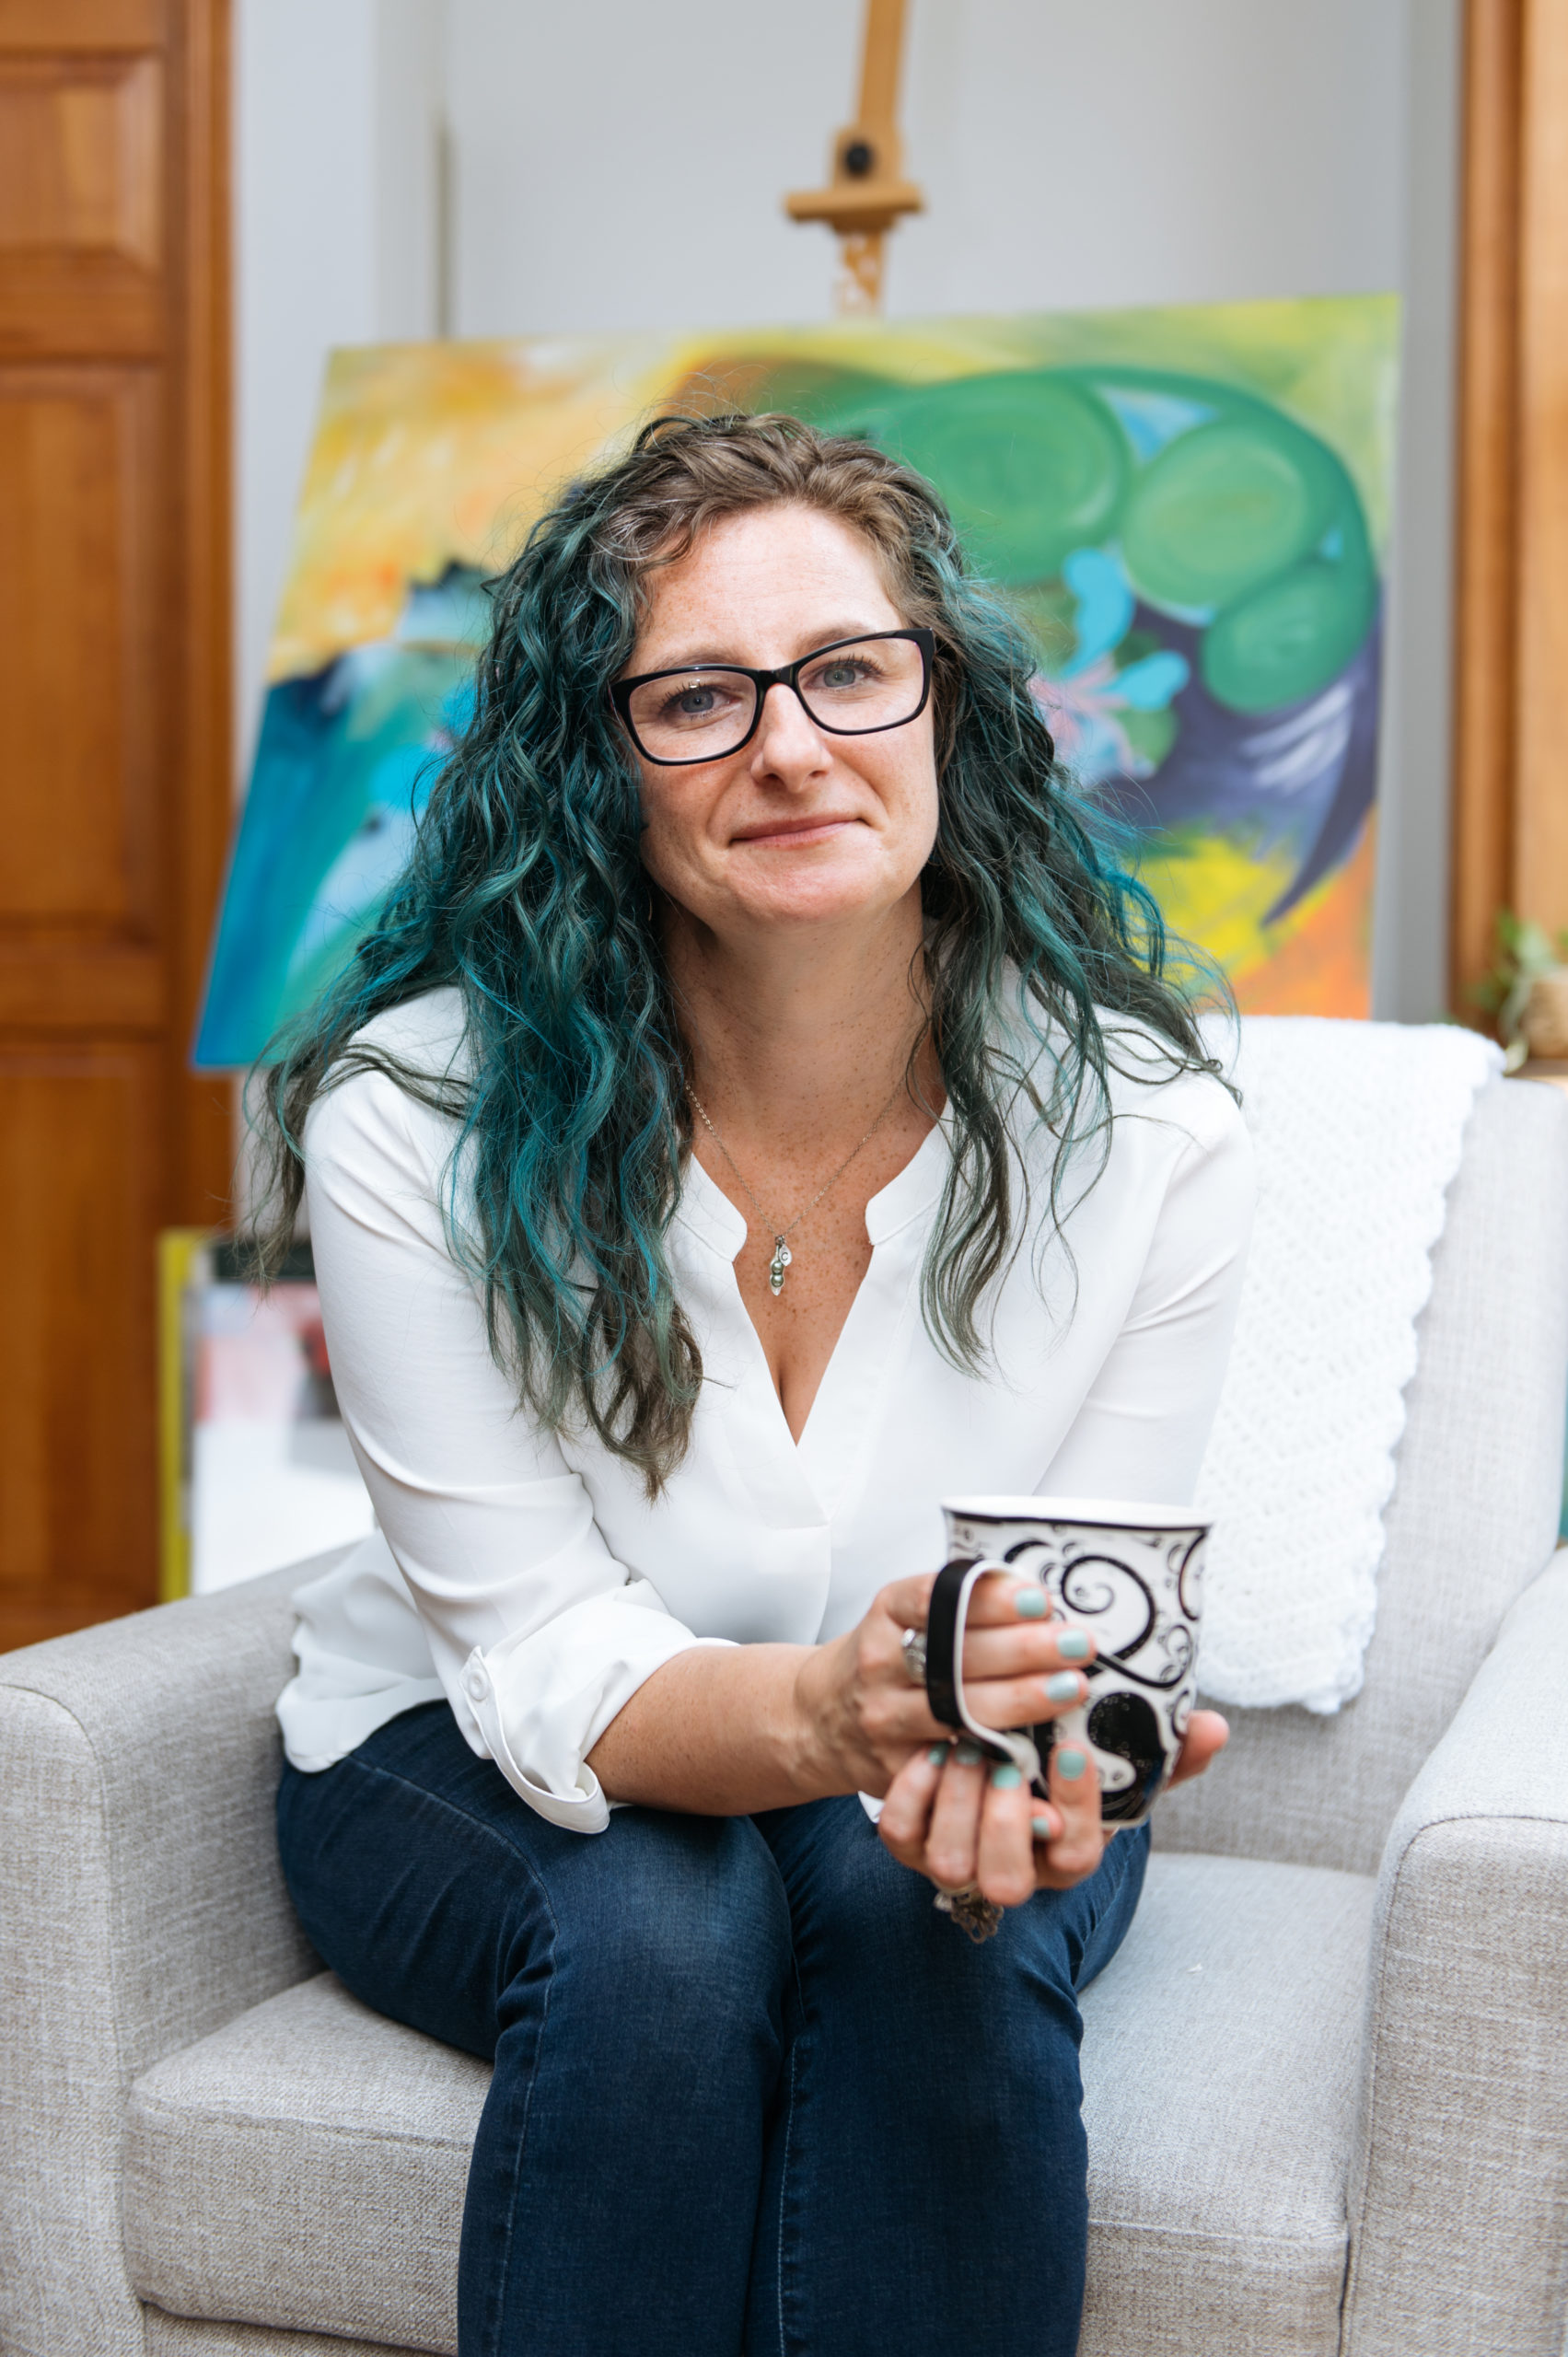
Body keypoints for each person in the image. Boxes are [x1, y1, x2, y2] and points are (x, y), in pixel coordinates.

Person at [260, 412, 1253, 2357]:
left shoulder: (1155, 1132)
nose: (793, 744)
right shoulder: (412, 1116)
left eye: (851, 671)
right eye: (698, 696)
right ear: (596, 769)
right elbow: (540, 1654)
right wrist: (826, 1709)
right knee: (664, 1923)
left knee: (923, 1923)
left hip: (927, 1738)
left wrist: (1051, 1778)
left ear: (947, 705)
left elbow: (1074, 1621)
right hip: (459, 1740)